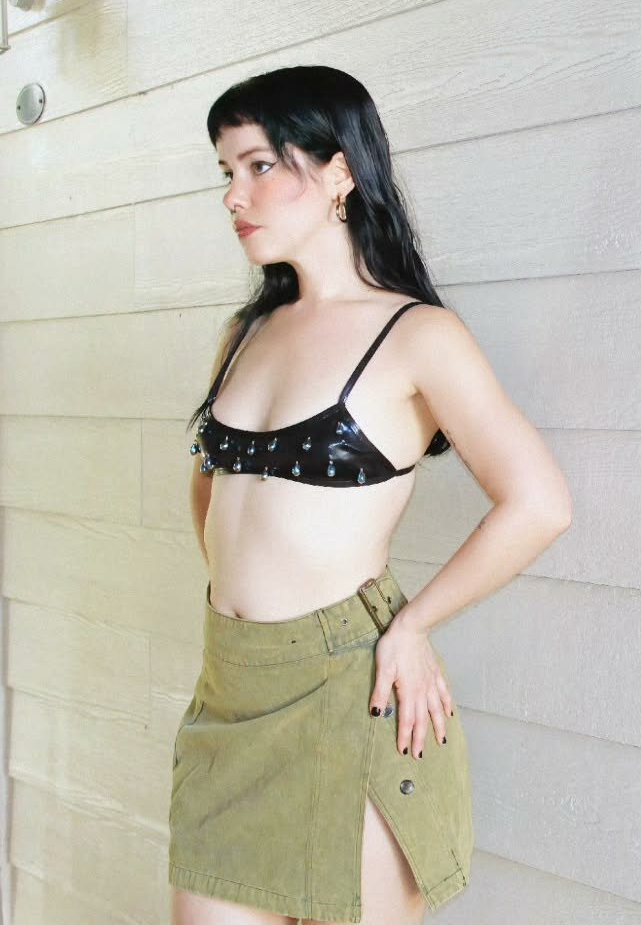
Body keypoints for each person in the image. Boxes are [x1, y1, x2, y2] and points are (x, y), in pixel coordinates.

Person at [168, 66, 572, 925]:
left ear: (340, 172)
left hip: (348, 688)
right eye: (226, 173)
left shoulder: (418, 336)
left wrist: (412, 625)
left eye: (259, 166)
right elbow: (212, 490)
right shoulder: (243, 333)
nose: (235, 195)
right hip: (230, 686)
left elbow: (539, 502)